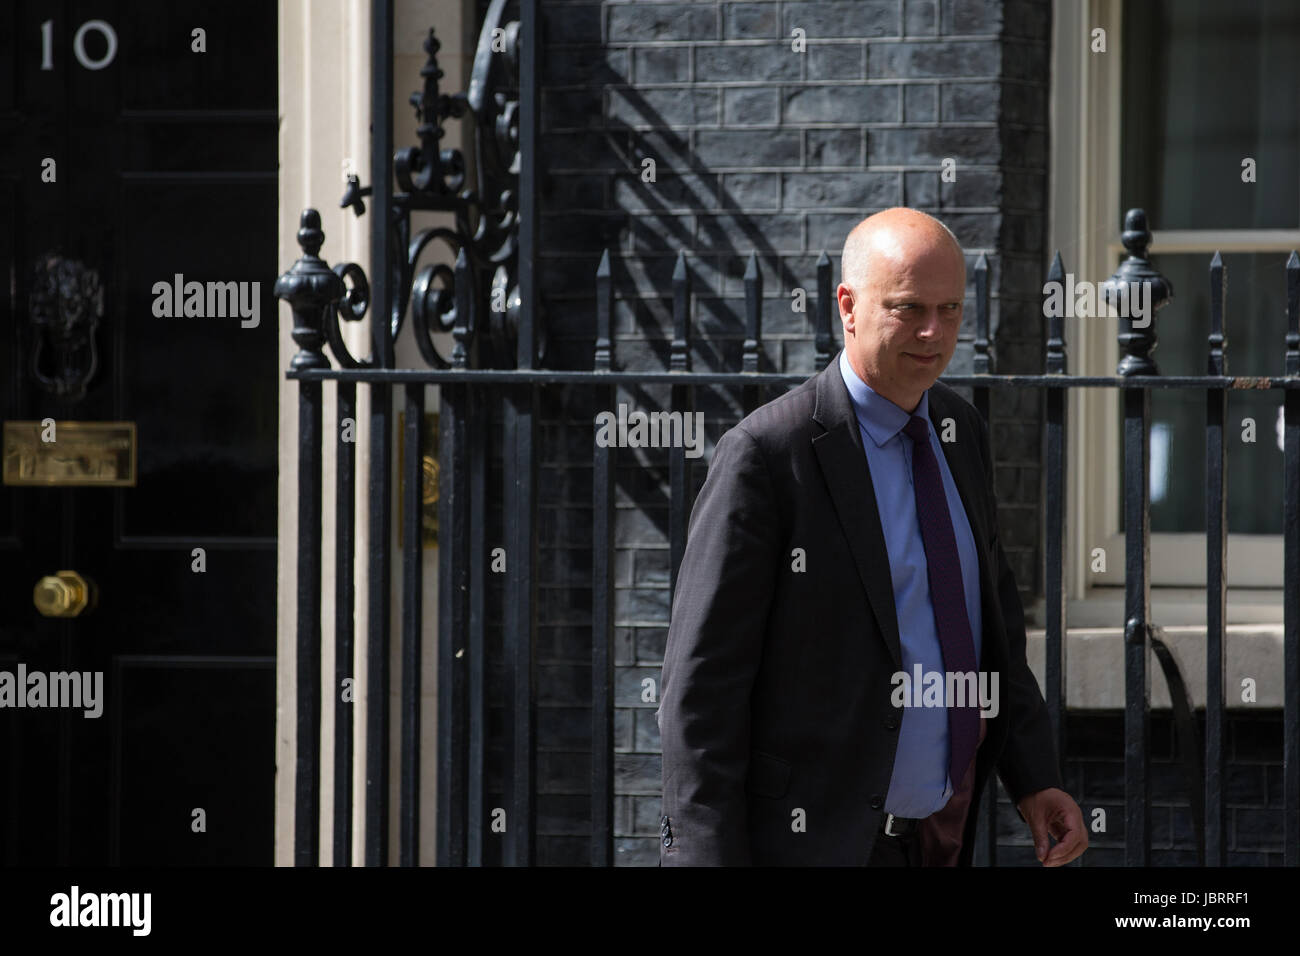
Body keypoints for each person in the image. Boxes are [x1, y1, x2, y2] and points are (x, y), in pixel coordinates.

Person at [657, 207, 1087, 867]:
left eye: (950, 309)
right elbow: (700, 694)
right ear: (848, 307)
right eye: (909, 307)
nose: (933, 332)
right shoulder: (769, 455)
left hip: (940, 840)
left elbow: (988, 627)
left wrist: (1034, 777)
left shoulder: (960, 431)